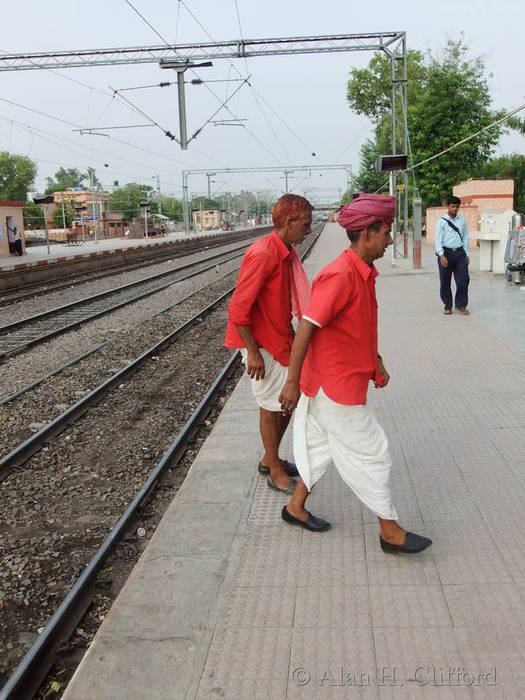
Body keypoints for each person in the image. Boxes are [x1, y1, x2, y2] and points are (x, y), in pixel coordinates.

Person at [278, 194, 432, 554]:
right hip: (334, 387)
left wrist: (374, 359)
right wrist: (290, 383)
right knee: (373, 451)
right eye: (386, 233)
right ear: (367, 233)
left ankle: (295, 507)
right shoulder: (340, 274)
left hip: (331, 383)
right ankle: (389, 531)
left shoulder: (362, 272)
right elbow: (306, 328)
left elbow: (355, 326)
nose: (390, 240)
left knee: (318, 449)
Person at [224, 194, 313, 494]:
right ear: (288, 223)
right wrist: (251, 352)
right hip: (260, 345)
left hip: (278, 338)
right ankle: (274, 470)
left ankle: (269, 457)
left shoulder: (283, 251)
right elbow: (237, 309)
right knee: (270, 405)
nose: (309, 231)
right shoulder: (264, 254)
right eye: (305, 224)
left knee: (287, 401)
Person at [435, 195, 470, 315]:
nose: (455, 209)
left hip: (460, 253)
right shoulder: (441, 222)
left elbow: (465, 236)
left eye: (457, 207)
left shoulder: (462, 220)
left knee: (463, 280)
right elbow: (438, 240)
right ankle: (447, 305)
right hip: (446, 253)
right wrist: (441, 255)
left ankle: (461, 304)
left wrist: (466, 253)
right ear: (448, 206)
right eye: (452, 206)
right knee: (445, 281)